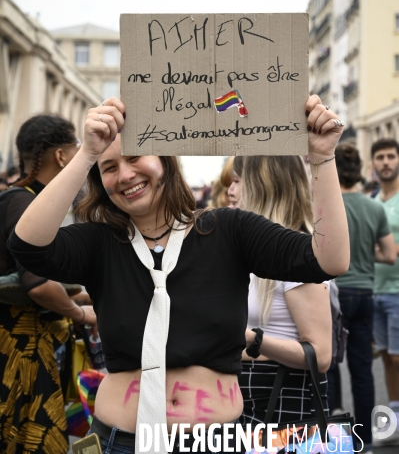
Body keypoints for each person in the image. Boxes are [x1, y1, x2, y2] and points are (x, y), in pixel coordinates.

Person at [8, 95, 349, 454]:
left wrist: (323, 156)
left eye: (135, 157)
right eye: (108, 168)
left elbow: (328, 260)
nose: (125, 175)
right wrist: (87, 155)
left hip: (214, 442)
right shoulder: (99, 243)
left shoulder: (228, 231)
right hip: (122, 441)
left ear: (165, 161)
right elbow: (27, 246)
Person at [0, 114, 96, 454]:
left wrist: (81, 298)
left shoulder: (23, 197)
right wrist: (81, 315)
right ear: (62, 156)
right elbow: (37, 285)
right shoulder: (24, 201)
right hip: (22, 351)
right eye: (77, 147)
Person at [235, 155, 332, 432]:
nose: (231, 191)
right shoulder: (255, 250)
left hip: (282, 403)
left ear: (260, 186)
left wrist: (251, 339)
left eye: (238, 182)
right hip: (252, 398)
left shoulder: (297, 253)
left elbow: (321, 354)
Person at [326, 143, 395, 452]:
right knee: (362, 367)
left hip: (334, 291)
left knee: (327, 364)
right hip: (365, 292)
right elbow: (390, 256)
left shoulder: (326, 204)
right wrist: (364, 255)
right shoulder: (375, 207)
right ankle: (364, 438)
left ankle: (330, 433)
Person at [371, 137, 399, 445]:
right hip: (375, 290)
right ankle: (394, 416)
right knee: (388, 359)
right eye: (380, 158)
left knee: (398, 358)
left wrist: (383, 249)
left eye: (391, 156)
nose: (386, 162)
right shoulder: (374, 201)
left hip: (397, 291)